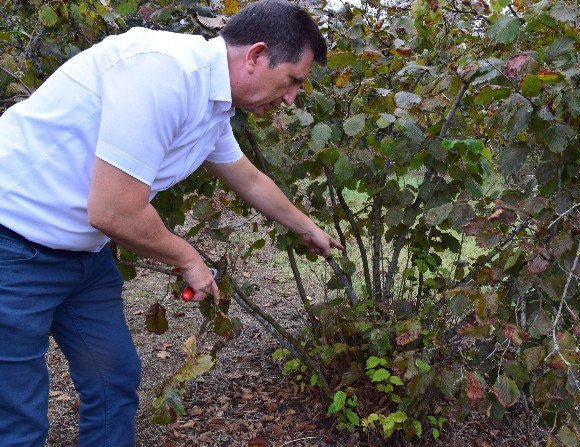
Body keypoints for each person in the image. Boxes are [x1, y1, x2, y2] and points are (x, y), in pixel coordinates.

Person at [0, 0, 342, 445]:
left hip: (82, 256)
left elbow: (249, 179)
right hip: (13, 248)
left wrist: (306, 226)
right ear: (257, 55)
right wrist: (187, 256)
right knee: (17, 415)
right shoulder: (163, 73)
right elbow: (115, 210)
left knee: (114, 380)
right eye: (294, 80)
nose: (292, 96)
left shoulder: (211, 104)